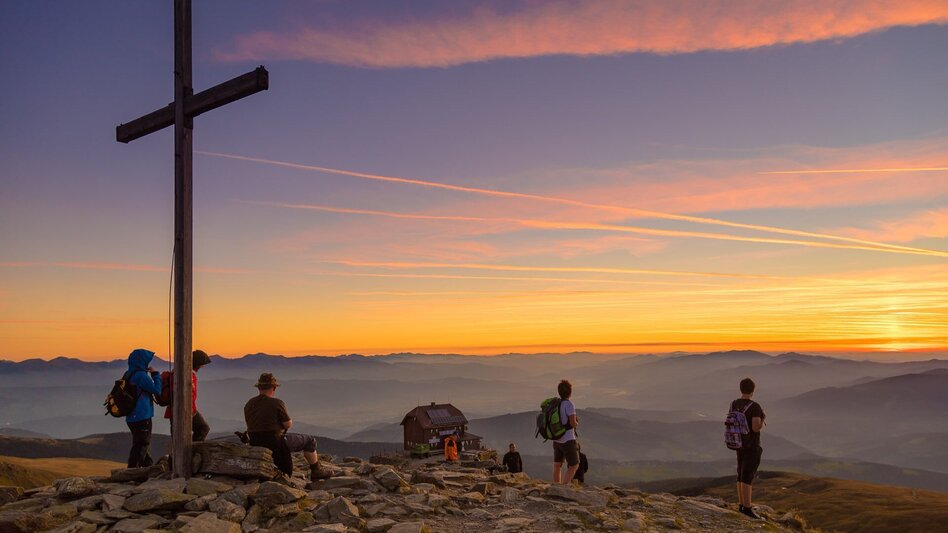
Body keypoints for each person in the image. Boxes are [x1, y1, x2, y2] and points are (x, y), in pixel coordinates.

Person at [243, 373, 330, 481]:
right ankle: (316, 470)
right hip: (276, 442)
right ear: (273, 388)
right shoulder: (276, 403)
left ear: (259, 388)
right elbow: (287, 424)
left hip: (255, 442)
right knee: (309, 440)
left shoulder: (249, 404)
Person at [732, 377, 766, 520]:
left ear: (741, 389)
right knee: (748, 476)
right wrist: (763, 418)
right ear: (753, 390)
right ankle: (747, 508)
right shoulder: (755, 406)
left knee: (740, 473)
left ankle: (741, 504)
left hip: (738, 443)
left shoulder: (734, 403)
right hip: (751, 445)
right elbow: (755, 427)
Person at [124, 348, 163, 468]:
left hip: (131, 416)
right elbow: (157, 390)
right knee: (141, 445)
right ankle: (133, 473)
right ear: (142, 361)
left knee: (142, 445)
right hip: (142, 415)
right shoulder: (141, 376)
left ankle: (147, 471)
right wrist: (155, 375)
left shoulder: (128, 374)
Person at [163, 349, 212, 441]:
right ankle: (192, 451)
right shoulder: (185, 375)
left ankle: (190, 451)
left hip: (184, 410)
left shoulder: (181, 372)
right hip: (183, 410)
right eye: (202, 364)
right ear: (197, 363)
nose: (202, 367)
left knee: (179, 437)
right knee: (201, 429)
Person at [552, 379, 580, 485]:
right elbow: (573, 423)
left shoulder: (555, 404)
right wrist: (577, 422)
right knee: (574, 465)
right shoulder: (569, 404)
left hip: (556, 439)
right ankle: (563, 487)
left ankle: (556, 486)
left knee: (557, 465)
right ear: (570, 392)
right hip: (568, 440)